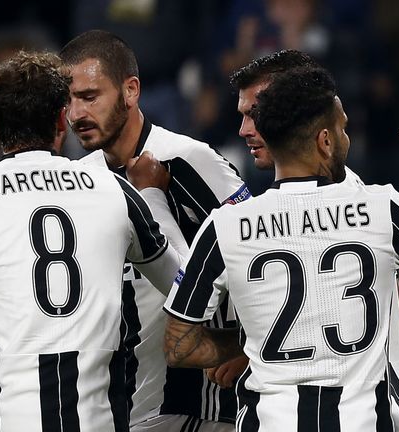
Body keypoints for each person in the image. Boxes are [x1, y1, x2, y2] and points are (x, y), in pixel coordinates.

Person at [163, 66, 399, 430]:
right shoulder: (380, 208)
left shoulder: (225, 225)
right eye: (342, 128)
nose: (346, 138)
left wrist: (249, 343)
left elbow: (178, 346)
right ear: (325, 140)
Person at [0, 51, 182, 431]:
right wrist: (154, 199)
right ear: (62, 117)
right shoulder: (114, 188)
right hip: (100, 420)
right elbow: (181, 286)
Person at [60, 30, 250, 431]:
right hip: (116, 412)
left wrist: (251, 346)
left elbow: (263, 254)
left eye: (90, 97)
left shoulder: (189, 160)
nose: (75, 113)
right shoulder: (78, 182)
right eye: (69, 99)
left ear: (131, 91)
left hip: (194, 408)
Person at [227, 49, 399, 431]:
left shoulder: (355, 198)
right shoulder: (316, 195)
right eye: (243, 115)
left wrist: (260, 349)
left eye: (255, 113)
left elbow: (398, 312)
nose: (245, 129)